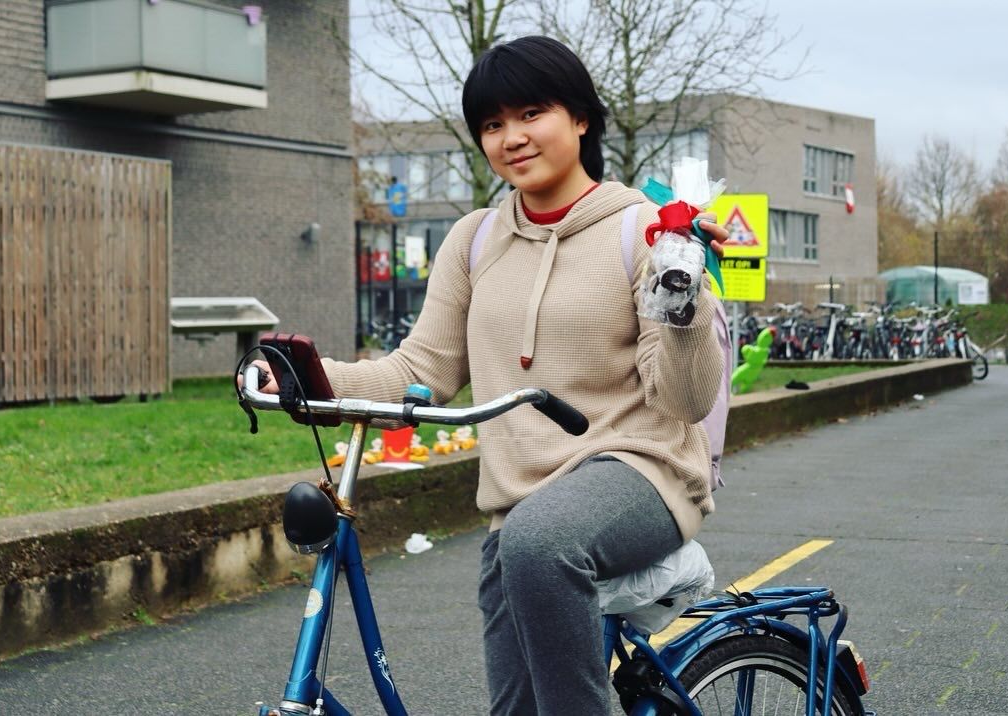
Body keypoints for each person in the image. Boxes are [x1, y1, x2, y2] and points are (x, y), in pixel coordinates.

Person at [247, 35, 728, 716]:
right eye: (493, 125)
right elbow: (422, 370)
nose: (512, 138)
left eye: (532, 113)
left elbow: (684, 399)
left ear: (581, 118)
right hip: (523, 511)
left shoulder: (642, 231)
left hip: (639, 471)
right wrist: (310, 376)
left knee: (536, 542)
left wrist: (682, 292)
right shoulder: (474, 239)